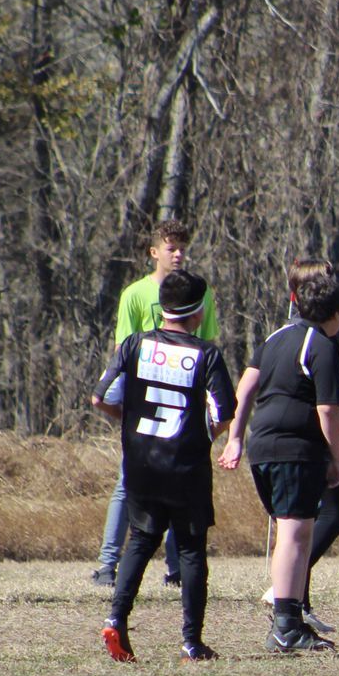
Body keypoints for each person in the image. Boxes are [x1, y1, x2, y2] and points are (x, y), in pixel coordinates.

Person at [220, 269, 339, 651]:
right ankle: (285, 626)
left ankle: (292, 620)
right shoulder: (323, 345)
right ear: (334, 314)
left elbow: (246, 387)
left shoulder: (277, 336)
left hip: (264, 445)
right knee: (295, 536)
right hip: (294, 449)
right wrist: (337, 459)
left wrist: (236, 437)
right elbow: (328, 410)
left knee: (294, 533)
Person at [91, 271, 235, 662]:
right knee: (190, 551)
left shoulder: (135, 344)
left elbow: (99, 398)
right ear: (199, 309)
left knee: (140, 540)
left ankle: (116, 618)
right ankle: (191, 640)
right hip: (185, 467)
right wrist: (206, 436)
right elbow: (223, 415)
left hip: (141, 464)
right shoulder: (207, 354)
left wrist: (129, 422)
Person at [93, 219, 220, 589]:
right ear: (154, 253)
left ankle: (177, 566)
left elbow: (208, 342)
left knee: (184, 482)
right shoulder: (135, 293)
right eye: (171, 248)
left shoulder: (201, 291)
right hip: (146, 397)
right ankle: (107, 562)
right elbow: (123, 349)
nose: (178, 254)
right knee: (126, 480)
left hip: (184, 398)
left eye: (183, 247)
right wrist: (125, 406)